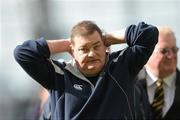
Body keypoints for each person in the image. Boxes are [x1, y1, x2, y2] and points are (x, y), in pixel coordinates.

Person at [14, 20, 158, 119]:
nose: (91, 53)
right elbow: (23, 53)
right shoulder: (58, 75)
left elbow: (148, 33)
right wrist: (65, 44)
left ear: (106, 46)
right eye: (83, 49)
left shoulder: (122, 65)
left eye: (97, 46)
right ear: (72, 51)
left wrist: (108, 38)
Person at [136, 26, 180, 119]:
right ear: (147, 52)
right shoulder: (130, 83)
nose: (171, 56)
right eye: (164, 51)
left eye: (174, 50)